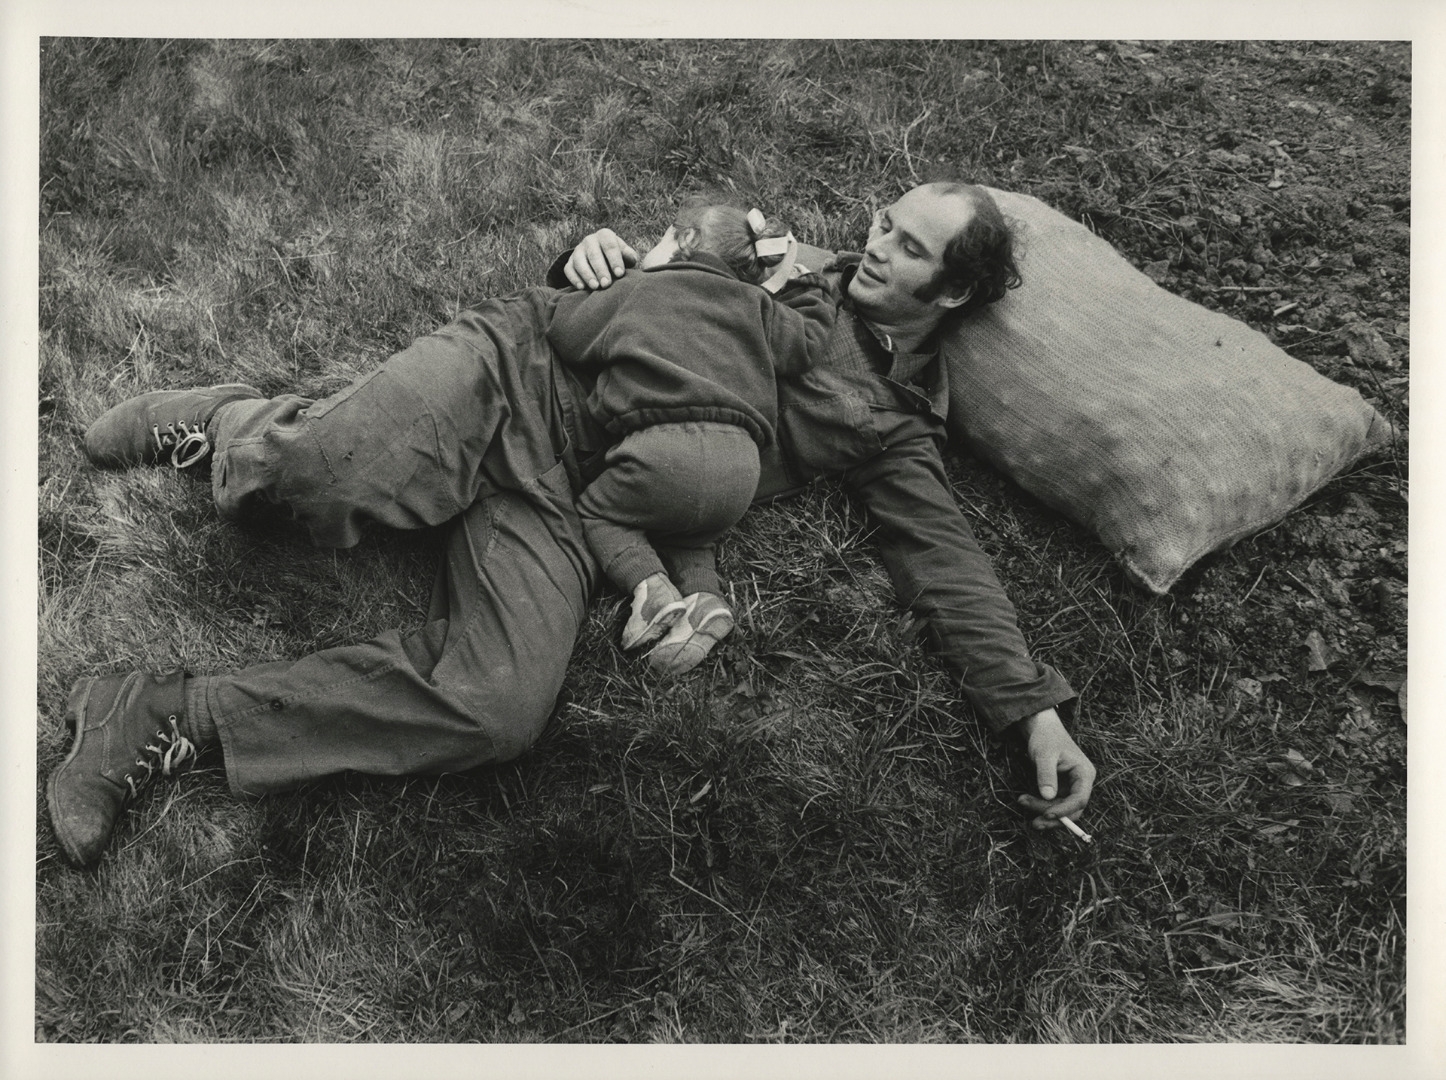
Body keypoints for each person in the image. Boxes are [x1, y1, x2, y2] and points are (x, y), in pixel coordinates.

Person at [47, 180, 1096, 871]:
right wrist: (591, 255)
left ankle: (166, 713)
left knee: (498, 709)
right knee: (318, 486)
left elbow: (945, 561)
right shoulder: (778, 258)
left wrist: (1030, 711)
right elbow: (644, 276)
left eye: (908, 250)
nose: (873, 249)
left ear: (952, 291)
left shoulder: (896, 425)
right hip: (518, 371)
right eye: (884, 224)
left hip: (573, 502)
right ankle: (233, 425)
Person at [549, 199, 836, 674]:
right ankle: (705, 600)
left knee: (600, 514)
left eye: (664, 235)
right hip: (740, 470)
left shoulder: (641, 289)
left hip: (659, 448)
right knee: (693, 534)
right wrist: (811, 287)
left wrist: (580, 290)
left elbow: (567, 329)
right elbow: (806, 341)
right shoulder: (760, 308)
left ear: (684, 240)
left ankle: (649, 590)